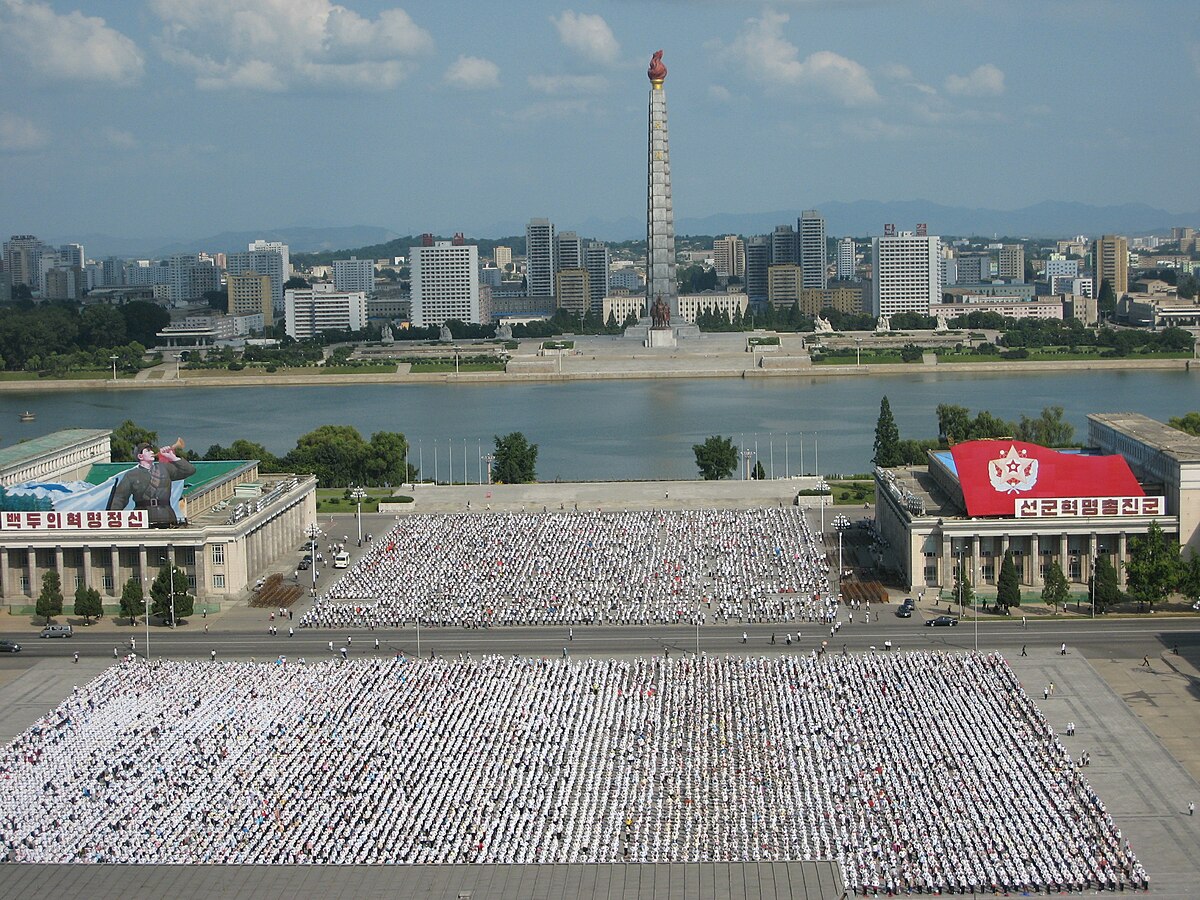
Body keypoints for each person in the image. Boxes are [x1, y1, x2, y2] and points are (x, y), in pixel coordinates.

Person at [106, 440, 196, 527]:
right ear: (140, 456)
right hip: (143, 517)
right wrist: (111, 518)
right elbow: (119, 498)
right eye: (148, 451)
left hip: (166, 515)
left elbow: (190, 470)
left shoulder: (164, 468)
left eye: (152, 450)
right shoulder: (131, 475)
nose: (152, 452)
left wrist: (172, 457)